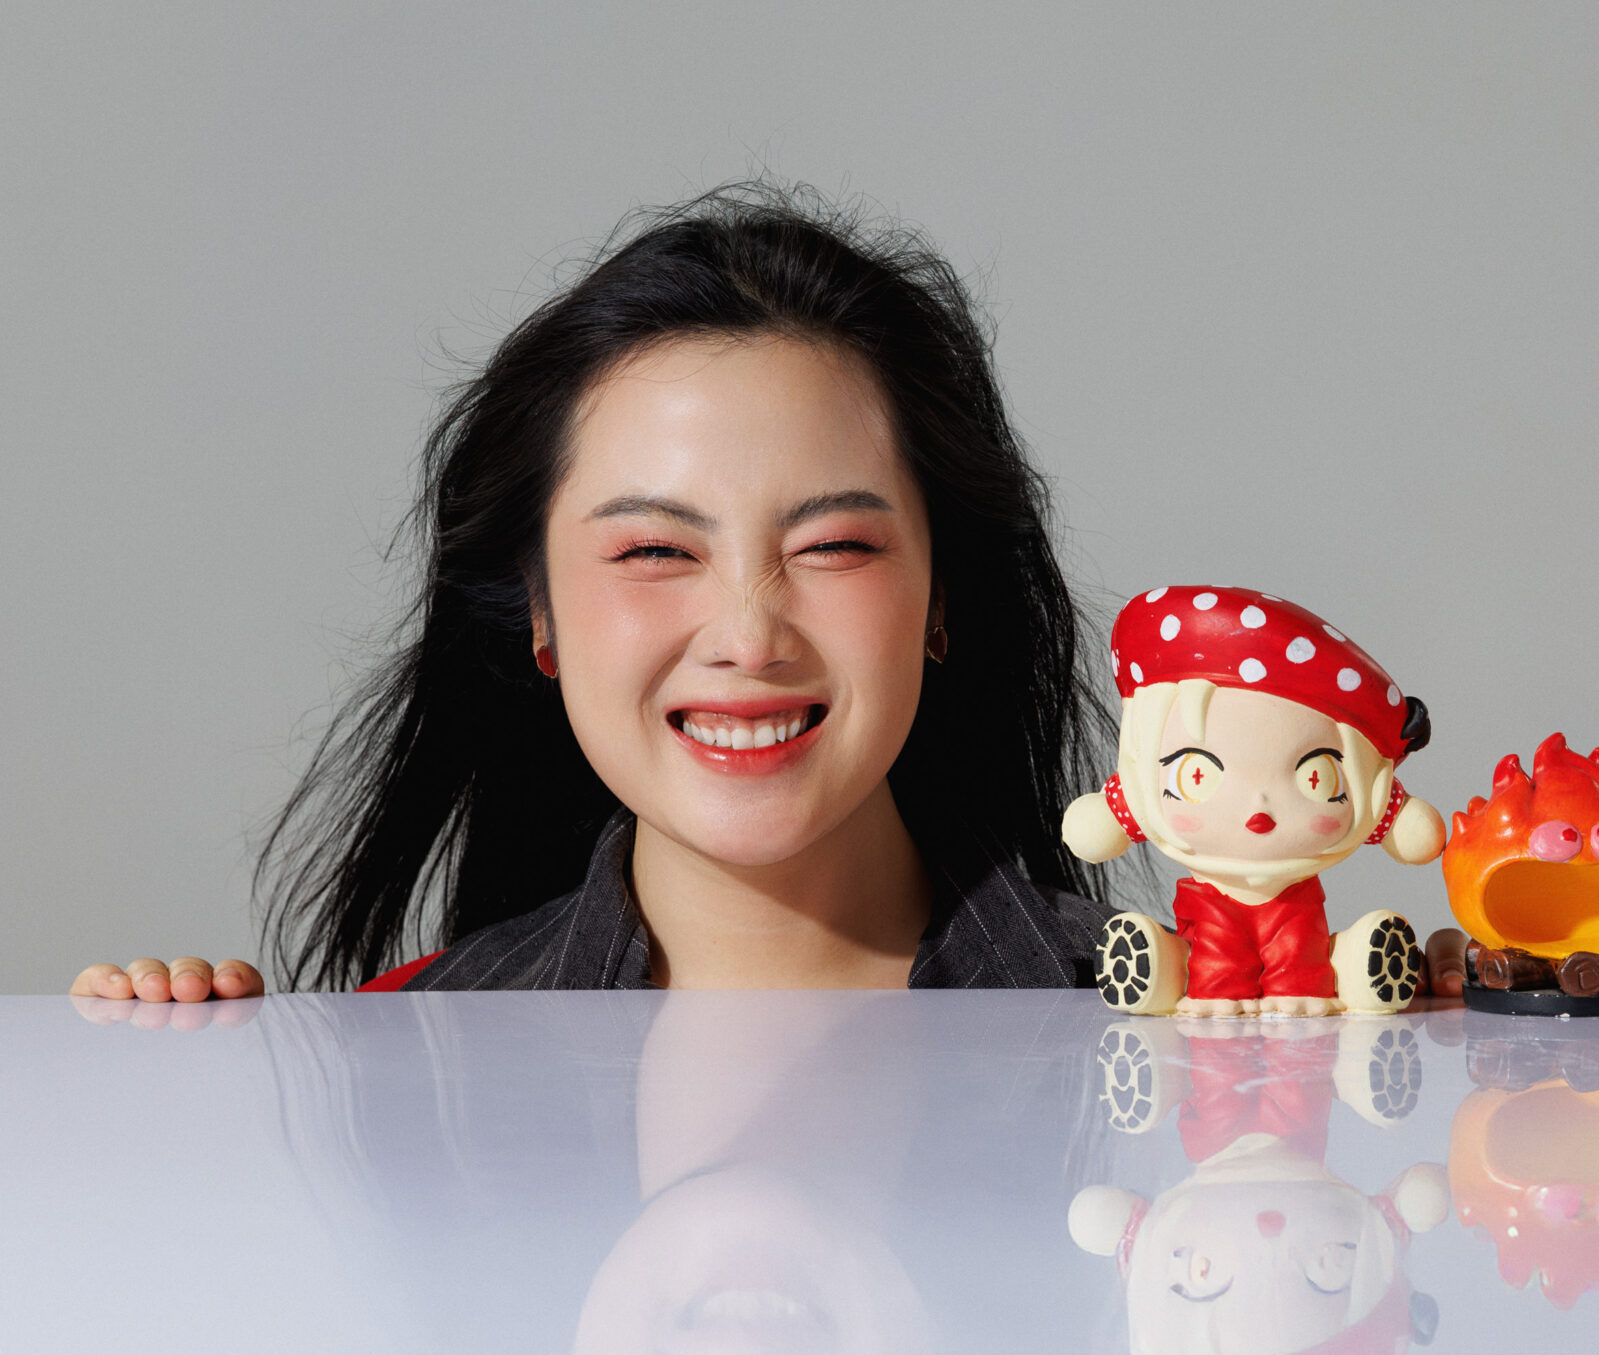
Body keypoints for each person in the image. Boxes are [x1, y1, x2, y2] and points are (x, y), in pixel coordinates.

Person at [71, 184, 1118, 1000]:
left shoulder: (1182, 1023)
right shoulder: (399, 1053)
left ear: (940, 597)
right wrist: (200, 1107)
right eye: (655, 551)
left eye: (833, 545)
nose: (748, 636)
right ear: (541, 613)